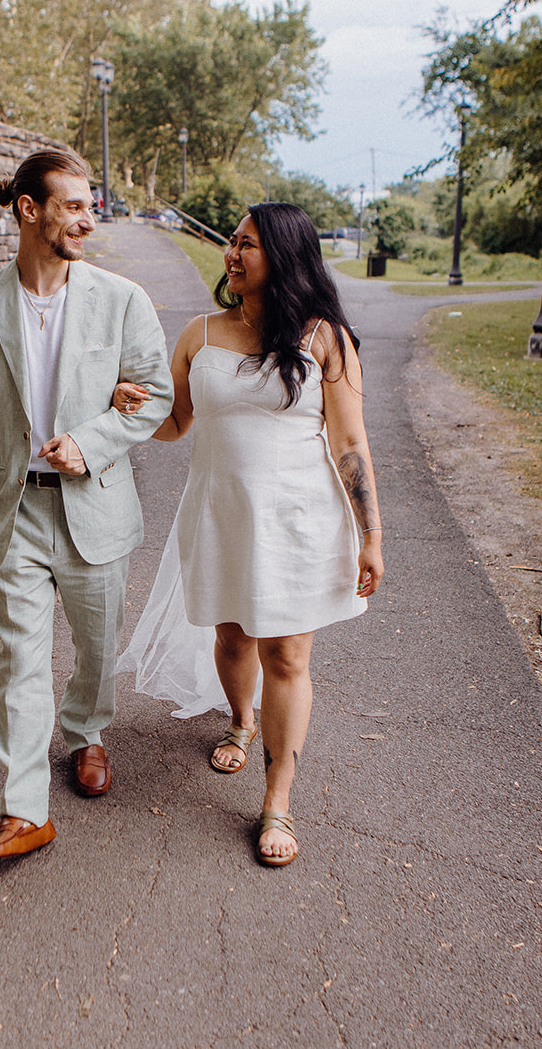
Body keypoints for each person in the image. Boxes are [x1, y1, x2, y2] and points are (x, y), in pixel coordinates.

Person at [114, 202, 383, 868]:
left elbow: (350, 443)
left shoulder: (325, 338)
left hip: (300, 521)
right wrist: (130, 406)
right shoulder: (199, 333)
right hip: (220, 514)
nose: (232, 254)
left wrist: (371, 536)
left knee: (286, 655)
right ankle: (241, 718)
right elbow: (175, 424)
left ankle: (277, 798)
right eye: (232, 242)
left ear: (285, 256)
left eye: (249, 244)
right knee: (232, 636)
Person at [0, 147, 173, 861]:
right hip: (14, 511)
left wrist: (92, 439)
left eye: (90, 206)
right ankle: (25, 810)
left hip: (94, 505)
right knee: (19, 660)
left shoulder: (122, 299)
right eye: (73, 206)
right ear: (30, 210)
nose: (88, 219)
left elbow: (157, 395)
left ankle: (85, 730)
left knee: (96, 644)